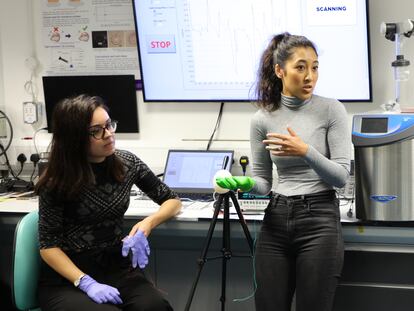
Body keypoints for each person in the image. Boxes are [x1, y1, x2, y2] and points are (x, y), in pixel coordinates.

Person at [216, 32, 351, 311]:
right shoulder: (262, 119)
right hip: (276, 218)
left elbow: (340, 176)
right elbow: (264, 183)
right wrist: (243, 183)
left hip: (319, 219)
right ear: (280, 70)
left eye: (314, 67)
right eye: (300, 67)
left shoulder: (331, 110)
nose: (309, 76)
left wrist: (305, 151)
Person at [36, 94, 182, 310]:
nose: (109, 134)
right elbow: (48, 247)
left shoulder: (127, 163)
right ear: (74, 138)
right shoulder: (57, 181)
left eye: (109, 125)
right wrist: (85, 282)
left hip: (116, 268)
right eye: (96, 131)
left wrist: (148, 223)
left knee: (155, 306)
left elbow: (172, 200)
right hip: (68, 278)